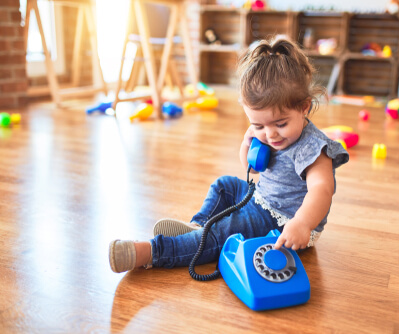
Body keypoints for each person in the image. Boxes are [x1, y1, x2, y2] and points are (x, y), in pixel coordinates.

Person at [109, 37, 349, 273]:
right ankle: (198, 226)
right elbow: (252, 169)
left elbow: (322, 190)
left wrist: (302, 223)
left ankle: (151, 252)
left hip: (286, 222)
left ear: (304, 107)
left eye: (280, 123)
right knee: (224, 186)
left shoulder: (313, 147)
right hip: (262, 200)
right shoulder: (266, 133)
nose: (270, 134)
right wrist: (248, 144)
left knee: (223, 233)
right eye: (258, 125)